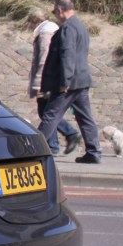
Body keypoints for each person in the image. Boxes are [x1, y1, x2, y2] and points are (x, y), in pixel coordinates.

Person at [38, 0, 102, 164]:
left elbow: (68, 54)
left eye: (54, 11)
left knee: (51, 115)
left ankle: (34, 150)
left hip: (69, 82)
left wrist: (65, 81)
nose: (55, 15)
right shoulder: (81, 27)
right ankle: (94, 151)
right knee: (85, 117)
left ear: (60, 10)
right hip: (82, 80)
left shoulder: (68, 28)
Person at [27, 8, 81, 156]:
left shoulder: (45, 33)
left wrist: (39, 83)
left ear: (35, 21)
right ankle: (52, 146)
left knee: (46, 113)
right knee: (48, 112)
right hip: (53, 77)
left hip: (47, 79)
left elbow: (43, 60)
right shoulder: (53, 30)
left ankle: (69, 134)